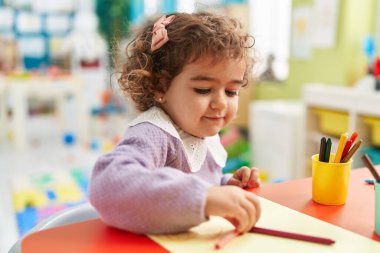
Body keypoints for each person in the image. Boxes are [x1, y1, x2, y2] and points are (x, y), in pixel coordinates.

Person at [89, 11, 261, 235]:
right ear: (160, 87)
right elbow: (107, 185)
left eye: (231, 91)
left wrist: (226, 187)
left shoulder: (201, 131)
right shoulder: (154, 133)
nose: (220, 103)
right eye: (203, 90)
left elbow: (195, 185)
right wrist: (206, 198)